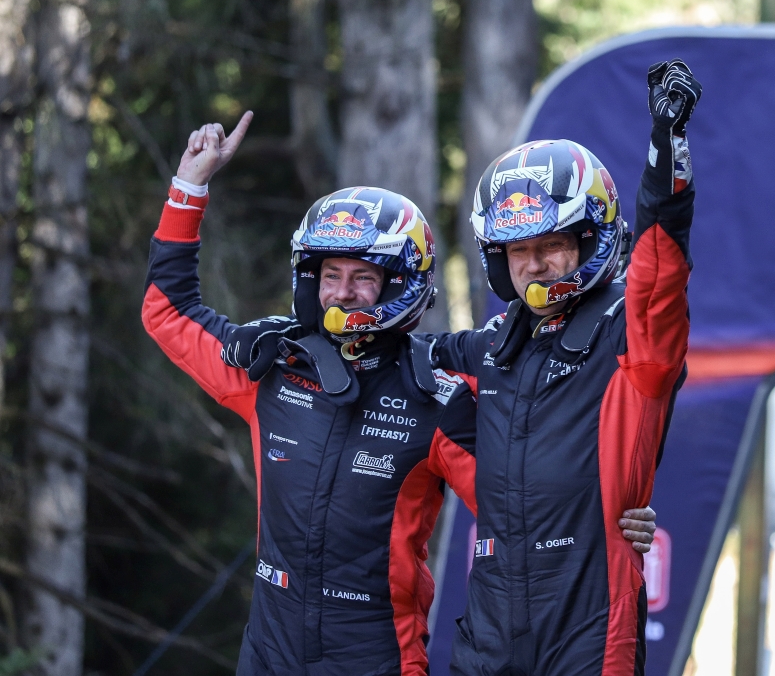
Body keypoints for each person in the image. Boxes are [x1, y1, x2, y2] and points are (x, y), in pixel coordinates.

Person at [141, 113, 655, 676]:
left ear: (399, 282)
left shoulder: (439, 397)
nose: (343, 292)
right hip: (268, 651)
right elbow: (167, 311)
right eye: (330, 275)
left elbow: (527, 502)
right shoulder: (271, 368)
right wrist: (190, 186)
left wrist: (616, 514)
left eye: (363, 277)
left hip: (378, 654)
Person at [425, 58, 701, 676]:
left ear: (591, 239)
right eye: (518, 250)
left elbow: (661, 271)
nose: (534, 265)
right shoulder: (492, 344)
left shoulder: (632, 335)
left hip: (587, 632)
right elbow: (388, 357)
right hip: (488, 633)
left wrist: (667, 149)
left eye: (551, 244)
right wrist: (293, 339)